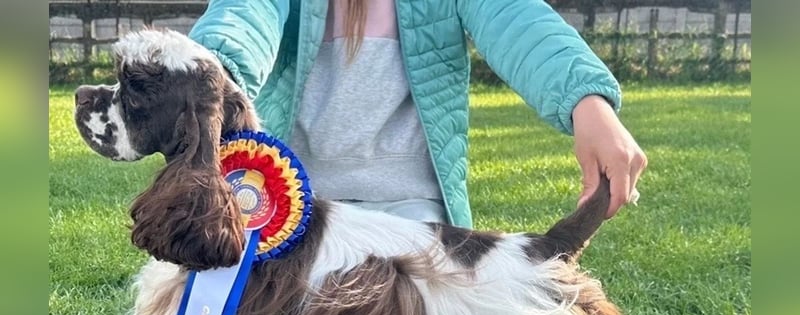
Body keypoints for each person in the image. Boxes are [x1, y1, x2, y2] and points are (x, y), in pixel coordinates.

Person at [189, 0, 647, 227]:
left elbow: (519, 20)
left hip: (416, 211)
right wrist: (208, 73)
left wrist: (588, 103)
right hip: (283, 210)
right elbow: (241, 17)